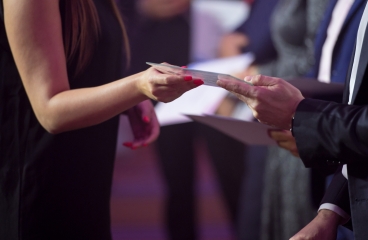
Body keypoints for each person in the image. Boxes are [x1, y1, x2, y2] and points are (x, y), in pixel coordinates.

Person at [0, 0, 202, 239]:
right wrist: (137, 87)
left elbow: (81, 67)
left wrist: (127, 101)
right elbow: (50, 111)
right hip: (40, 184)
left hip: (85, 182)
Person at [217, 0, 368, 238]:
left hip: (325, 123)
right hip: (321, 125)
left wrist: (304, 119)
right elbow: (324, 64)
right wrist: (330, 210)